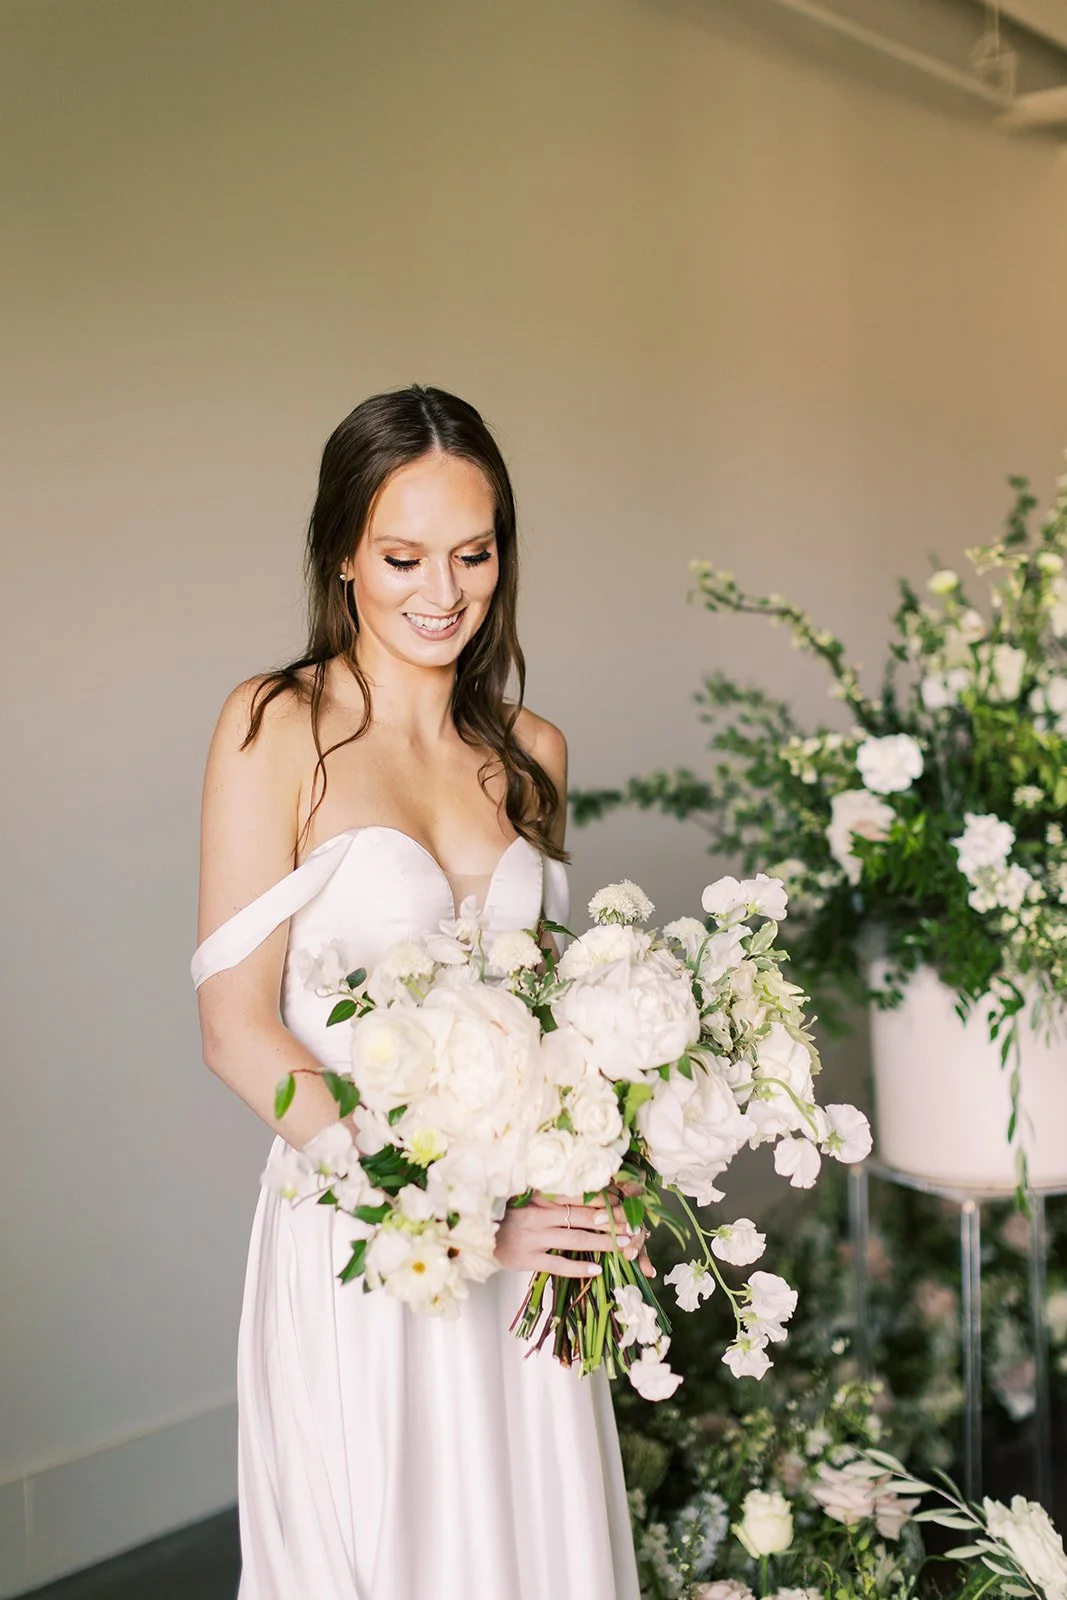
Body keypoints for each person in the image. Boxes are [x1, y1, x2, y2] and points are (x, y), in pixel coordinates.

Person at [191, 386, 642, 1600]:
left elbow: (548, 1021)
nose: (441, 592)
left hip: (528, 1242)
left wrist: (605, 1161)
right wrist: (446, 1222)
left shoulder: (531, 752)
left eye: (472, 554)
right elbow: (235, 1028)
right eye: (402, 557)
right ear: (342, 554)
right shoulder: (275, 725)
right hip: (366, 1231)